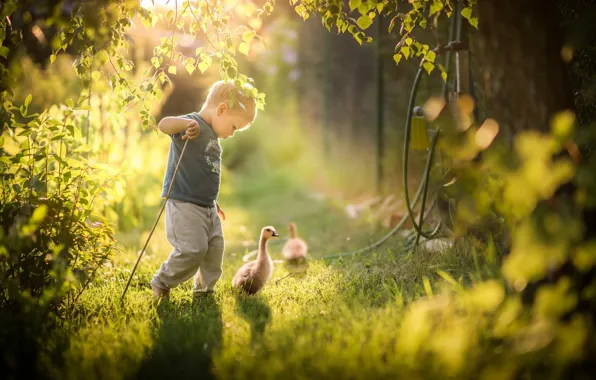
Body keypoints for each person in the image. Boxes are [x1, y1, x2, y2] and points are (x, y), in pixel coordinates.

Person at [150, 80, 258, 299]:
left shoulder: (214, 138)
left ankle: (204, 291)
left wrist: (213, 200)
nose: (232, 134)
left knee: (214, 251)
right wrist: (184, 125)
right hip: (184, 204)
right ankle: (162, 280)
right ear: (221, 109)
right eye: (235, 127)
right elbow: (164, 124)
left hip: (207, 206)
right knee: (193, 250)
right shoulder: (192, 123)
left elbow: (205, 171)